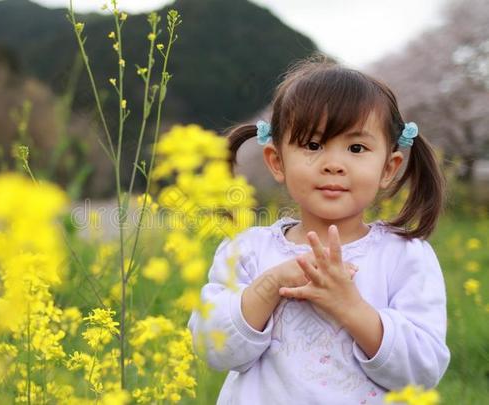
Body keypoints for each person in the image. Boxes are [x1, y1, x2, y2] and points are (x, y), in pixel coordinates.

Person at [187, 57, 450, 405]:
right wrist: (269, 285)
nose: (333, 164)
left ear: (389, 168)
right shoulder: (246, 251)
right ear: (277, 161)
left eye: (357, 148)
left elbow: (423, 369)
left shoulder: (404, 255)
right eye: (313, 145)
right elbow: (211, 349)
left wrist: (351, 307)